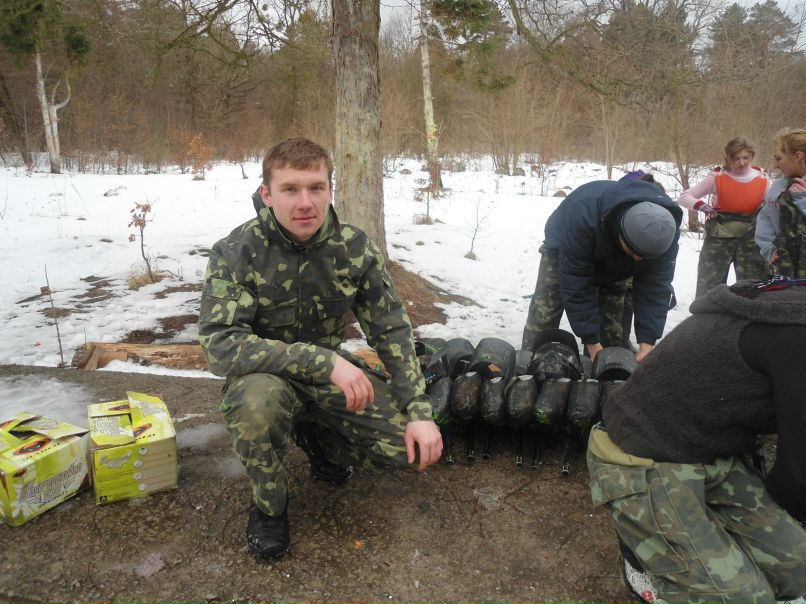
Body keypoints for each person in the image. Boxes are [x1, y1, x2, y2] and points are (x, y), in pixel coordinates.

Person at [198, 138, 443, 558]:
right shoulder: (237, 251)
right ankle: (269, 508)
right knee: (258, 407)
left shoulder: (354, 248)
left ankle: (316, 438)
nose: (305, 202)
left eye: (316, 187)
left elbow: (391, 331)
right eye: (290, 189)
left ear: (331, 190)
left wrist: (419, 412)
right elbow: (221, 345)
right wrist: (324, 360)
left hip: (330, 378)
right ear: (267, 194)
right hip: (266, 380)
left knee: (407, 449)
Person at [587, 278, 806, 604]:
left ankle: (690, 543)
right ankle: (644, 559)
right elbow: (797, 480)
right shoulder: (796, 335)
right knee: (744, 597)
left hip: (710, 448)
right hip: (638, 454)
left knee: (798, 570)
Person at [521, 179, 682, 362]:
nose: (639, 259)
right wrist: (590, 341)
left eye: (645, 257)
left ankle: (601, 380)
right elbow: (576, 283)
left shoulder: (665, 233)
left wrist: (647, 342)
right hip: (565, 247)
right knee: (545, 312)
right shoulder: (584, 215)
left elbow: (655, 287)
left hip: (614, 257)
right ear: (621, 233)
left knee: (610, 335)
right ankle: (527, 366)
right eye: (634, 252)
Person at [679, 137, 769, 298]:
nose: (741, 162)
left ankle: (751, 321)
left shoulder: (762, 179)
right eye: (736, 158)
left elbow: (772, 208)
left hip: (751, 242)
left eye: (746, 158)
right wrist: (702, 206)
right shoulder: (717, 177)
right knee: (708, 288)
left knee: (753, 288)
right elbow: (685, 196)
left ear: (752, 157)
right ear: (728, 158)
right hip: (718, 241)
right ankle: (705, 321)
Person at [755, 128, 806, 278]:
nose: (776, 165)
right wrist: (769, 249)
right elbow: (765, 218)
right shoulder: (778, 187)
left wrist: (803, 199)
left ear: (797, 156)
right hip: (785, 270)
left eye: (779, 158)